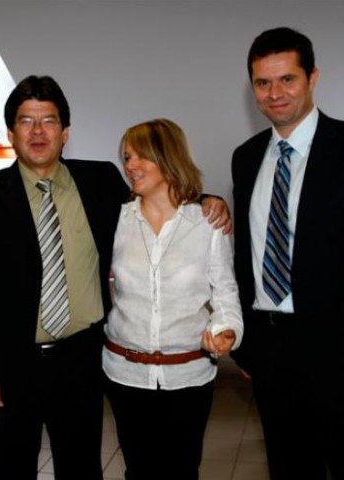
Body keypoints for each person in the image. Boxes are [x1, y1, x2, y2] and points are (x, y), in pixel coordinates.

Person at [0, 75, 232, 479]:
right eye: (26, 121)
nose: (37, 131)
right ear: (10, 133)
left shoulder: (99, 181)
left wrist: (206, 200)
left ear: (65, 133)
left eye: (48, 121)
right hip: (9, 367)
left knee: (82, 469)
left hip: (81, 363)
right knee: (10, 470)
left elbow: (158, 198)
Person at [231, 27, 344, 480]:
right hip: (270, 353)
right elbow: (247, 253)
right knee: (289, 469)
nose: (275, 93)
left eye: (287, 79)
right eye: (263, 83)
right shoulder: (246, 157)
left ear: (312, 78)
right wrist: (248, 348)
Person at [103, 118, 243, 480]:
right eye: (126, 157)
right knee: (139, 471)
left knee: (182, 471)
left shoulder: (207, 222)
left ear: (168, 157)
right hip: (125, 375)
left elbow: (225, 291)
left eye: (140, 156)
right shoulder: (115, 220)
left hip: (189, 376)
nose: (130, 166)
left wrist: (226, 329)